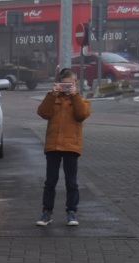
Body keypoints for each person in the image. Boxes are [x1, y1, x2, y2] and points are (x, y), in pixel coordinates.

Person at [36, 68, 91, 227]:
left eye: (70, 84)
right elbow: (42, 112)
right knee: (50, 181)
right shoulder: (53, 99)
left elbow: (81, 115)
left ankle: (71, 212)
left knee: (71, 182)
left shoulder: (81, 101)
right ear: (58, 84)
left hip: (70, 146)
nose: (67, 87)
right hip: (53, 145)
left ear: (76, 84)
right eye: (64, 84)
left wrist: (74, 96)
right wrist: (52, 94)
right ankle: (47, 212)